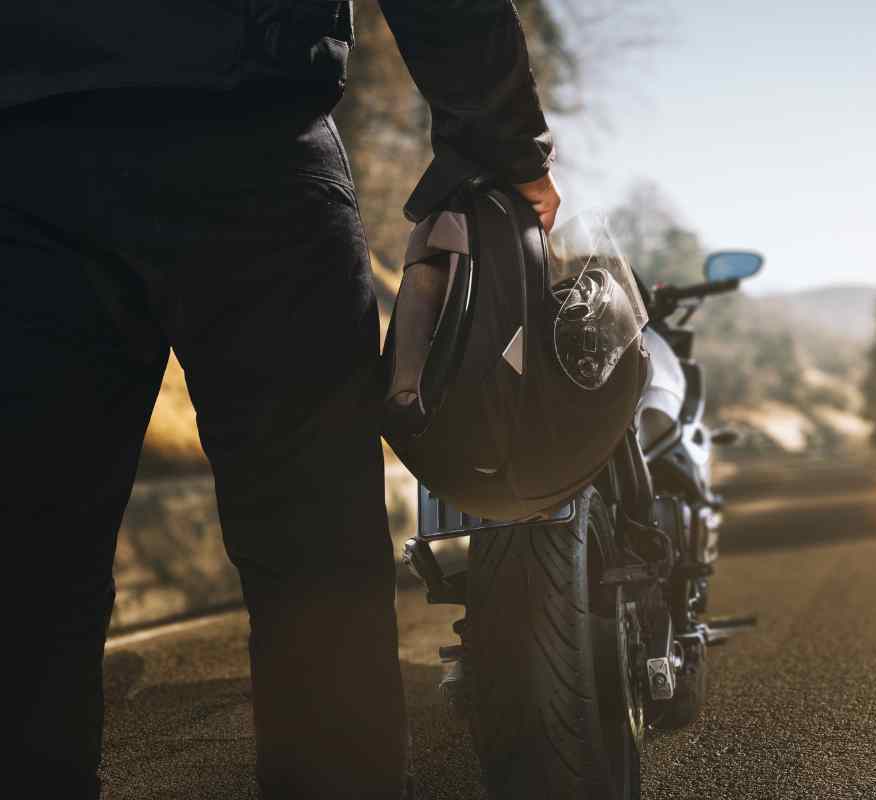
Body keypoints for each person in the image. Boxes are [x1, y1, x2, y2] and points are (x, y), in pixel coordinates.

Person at [3, 2, 560, 798]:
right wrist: (505, 146)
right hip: (250, 140)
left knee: (28, 563)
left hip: (28, 160)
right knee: (314, 558)